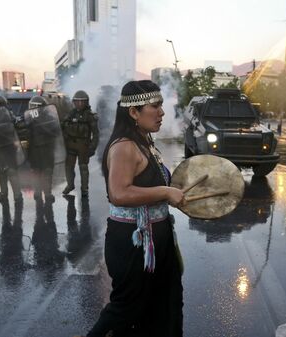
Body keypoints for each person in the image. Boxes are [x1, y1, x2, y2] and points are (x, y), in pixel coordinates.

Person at [83, 80, 184, 337]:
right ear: (133, 112)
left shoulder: (144, 140)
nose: (162, 112)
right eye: (155, 106)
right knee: (126, 308)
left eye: (162, 105)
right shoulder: (125, 146)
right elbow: (119, 193)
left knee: (165, 304)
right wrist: (164, 192)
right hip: (133, 244)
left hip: (156, 239)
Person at [61, 90, 99, 197]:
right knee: (68, 167)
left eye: (82, 101)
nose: (80, 104)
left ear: (86, 102)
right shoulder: (70, 114)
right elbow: (62, 126)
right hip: (70, 145)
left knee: (83, 168)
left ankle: (84, 189)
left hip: (83, 145)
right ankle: (70, 185)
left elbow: (96, 134)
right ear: (74, 102)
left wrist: (92, 148)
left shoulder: (90, 116)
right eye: (77, 101)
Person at [25, 96, 60, 204]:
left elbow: (56, 132)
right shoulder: (29, 119)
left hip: (47, 149)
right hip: (34, 150)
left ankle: (48, 193)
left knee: (47, 172)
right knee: (36, 172)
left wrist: (41, 125)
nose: (33, 109)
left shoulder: (50, 118)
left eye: (35, 107)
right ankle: (37, 191)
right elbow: (22, 132)